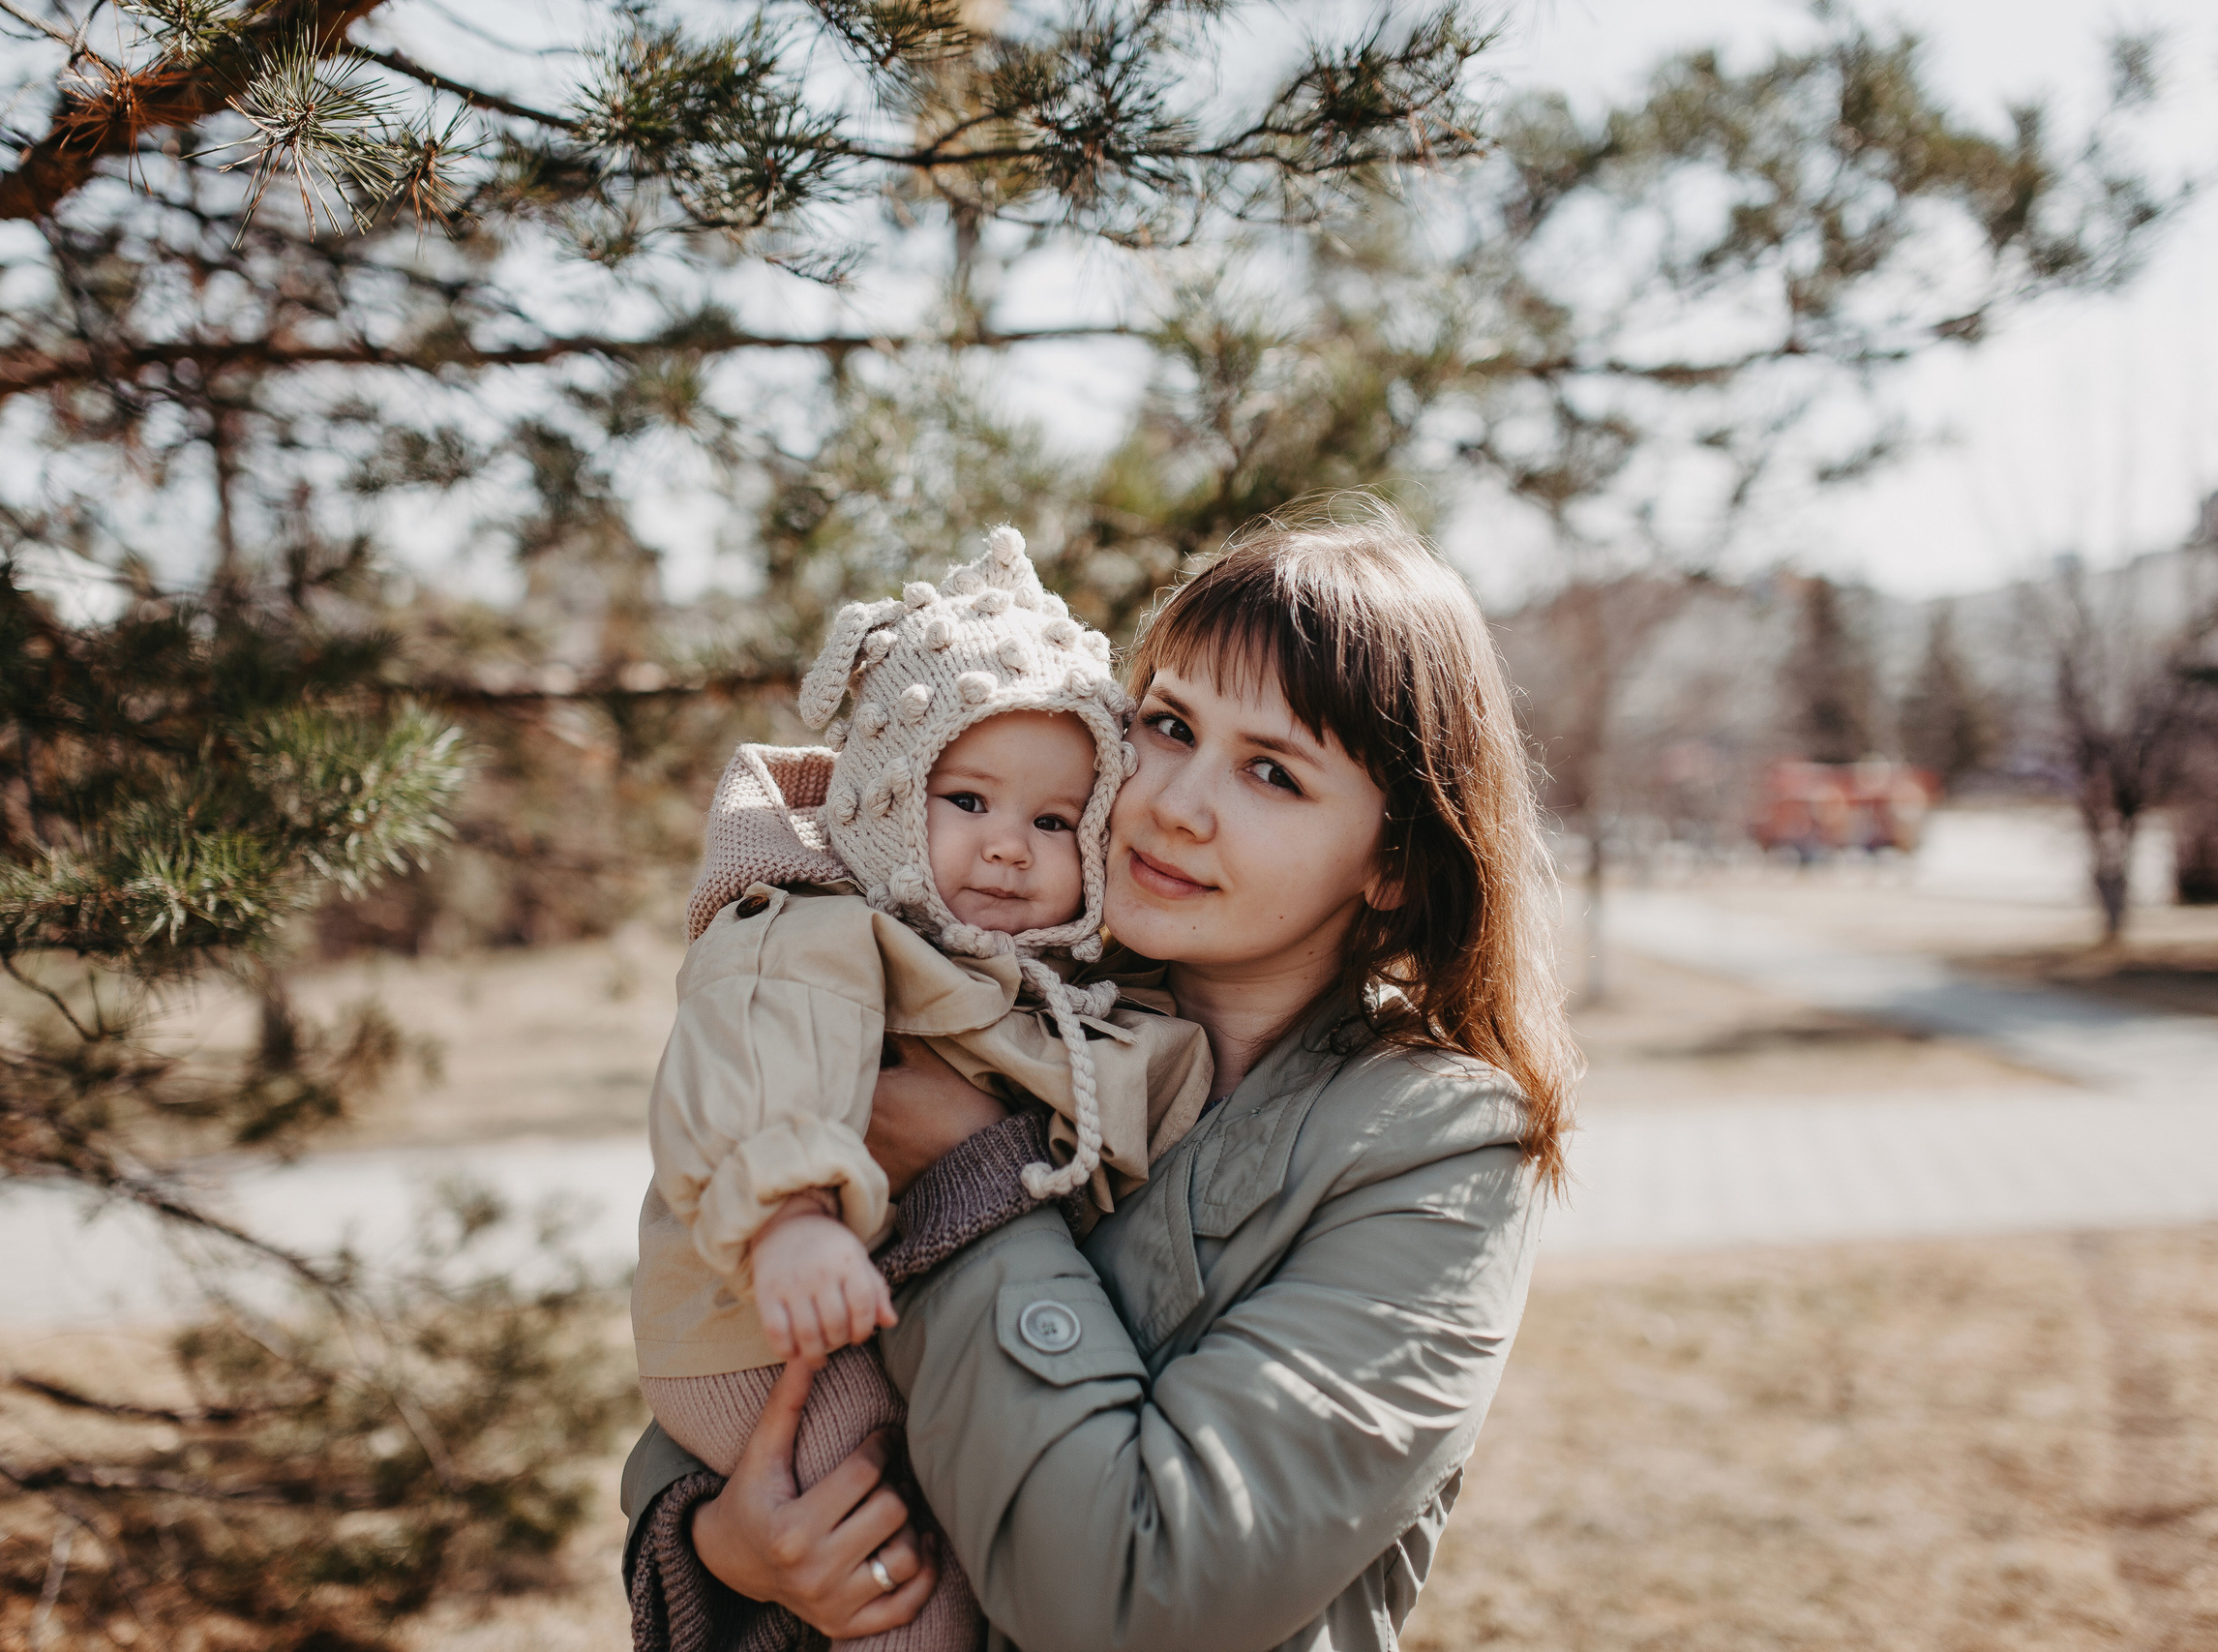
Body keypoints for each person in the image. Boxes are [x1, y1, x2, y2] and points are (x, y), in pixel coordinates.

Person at [621, 494, 1579, 1652]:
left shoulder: (1435, 1147)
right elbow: (721, 1320)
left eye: (1271, 773)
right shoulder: (983, 980)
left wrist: (974, 1185)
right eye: (1168, 725)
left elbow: (1144, 1594)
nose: (1172, 805)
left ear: (1394, 861)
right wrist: (724, 1544)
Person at [633, 527, 1214, 1651]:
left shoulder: (1033, 978)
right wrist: (793, 1220)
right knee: (905, 1582)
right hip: (757, 1320)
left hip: (863, 1313)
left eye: (1053, 821)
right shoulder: (808, 929)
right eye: (968, 800)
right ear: (886, 798)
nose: (1009, 849)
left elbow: (1110, 1088)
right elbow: (762, 1056)